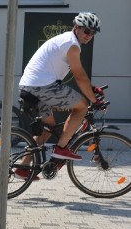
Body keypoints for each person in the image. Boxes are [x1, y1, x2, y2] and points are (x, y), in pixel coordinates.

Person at [18, 12, 104, 163]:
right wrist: (94, 100)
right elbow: (79, 76)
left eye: (93, 33)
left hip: (31, 86)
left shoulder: (66, 40)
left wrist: (92, 87)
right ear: (76, 27)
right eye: (87, 31)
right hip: (42, 86)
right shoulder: (72, 45)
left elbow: (77, 72)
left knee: (48, 128)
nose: (89, 36)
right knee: (82, 106)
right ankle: (61, 148)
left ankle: (23, 168)